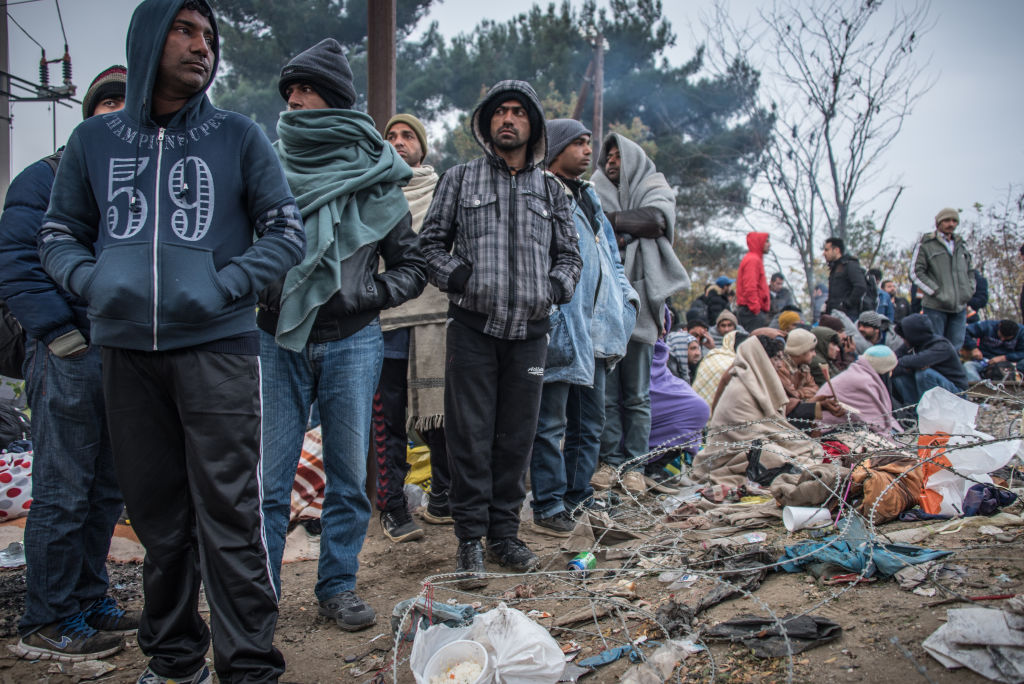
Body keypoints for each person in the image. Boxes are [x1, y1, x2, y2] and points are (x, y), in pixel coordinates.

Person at [38, 1, 306, 680]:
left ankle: (249, 666)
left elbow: (285, 232)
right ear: (149, 39)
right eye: (185, 31)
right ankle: (176, 659)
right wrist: (93, 282)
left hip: (218, 350)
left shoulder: (239, 135)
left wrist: (225, 285)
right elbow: (58, 233)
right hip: (127, 354)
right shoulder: (93, 142)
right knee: (157, 520)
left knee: (231, 515)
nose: (201, 46)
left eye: (208, 35)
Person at [258, 39, 426, 631]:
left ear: (334, 99)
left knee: (349, 477)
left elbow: (412, 265)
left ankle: (337, 587)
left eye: (305, 88)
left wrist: (367, 294)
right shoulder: (265, 168)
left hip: (353, 340)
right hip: (275, 339)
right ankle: (259, 597)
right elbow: (238, 248)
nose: (293, 99)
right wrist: (261, 289)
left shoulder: (375, 176)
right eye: (289, 90)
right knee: (269, 479)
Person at [418, 80, 581, 583]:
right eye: (499, 112)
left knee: (516, 440)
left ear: (533, 125)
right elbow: (428, 246)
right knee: (469, 437)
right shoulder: (459, 178)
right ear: (487, 124)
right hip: (472, 329)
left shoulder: (551, 190)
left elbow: (570, 257)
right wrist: (460, 279)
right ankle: (470, 540)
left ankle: (505, 536)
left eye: (518, 112)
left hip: (530, 334)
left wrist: (552, 289)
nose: (507, 119)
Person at [0, 66, 136, 663]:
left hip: (123, 353)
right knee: (63, 487)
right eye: (107, 104)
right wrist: (58, 333)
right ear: (89, 116)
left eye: (128, 106)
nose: (117, 115)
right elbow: (18, 261)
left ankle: (88, 598)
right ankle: (47, 619)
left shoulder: (138, 184)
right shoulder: (46, 177)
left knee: (105, 487)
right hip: (68, 351)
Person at [528, 119, 637, 537]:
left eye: (589, 142)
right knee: (549, 424)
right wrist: (550, 314)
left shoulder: (589, 197)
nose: (588, 150)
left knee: (590, 423)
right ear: (556, 148)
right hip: (559, 328)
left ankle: (577, 498)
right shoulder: (539, 193)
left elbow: (612, 260)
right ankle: (548, 505)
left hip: (597, 332)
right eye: (579, 143)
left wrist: (627, 302)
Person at [591, 132, 688, 495]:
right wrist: (627, 226)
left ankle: (635, 466)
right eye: (607, 157)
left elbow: (656, 221)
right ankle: (610, 463)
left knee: (636, 394)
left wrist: (610, 221)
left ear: (631, 157)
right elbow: (588, 227)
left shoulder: (653, 183)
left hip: (643, 306)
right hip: (603, 305)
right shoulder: (594, 186)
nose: (611, 162)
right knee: (606, 395)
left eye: (617, 156)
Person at [372, 112, 451, 541]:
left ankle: (443, 498)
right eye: (391, 136)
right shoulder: (372, 190)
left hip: (436, 322)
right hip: (385, 321)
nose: (399, 142)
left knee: (439, 417)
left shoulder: (443, 193)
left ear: (422, 147)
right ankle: (392, 508)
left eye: (407, 136)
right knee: (389, 421)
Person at [692, 336, 823, 487]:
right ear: (762, 359)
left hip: (751, 444)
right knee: (777, 454)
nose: (780, 364)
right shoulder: (742, 389)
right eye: (776, 359)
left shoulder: (755, 383)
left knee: (801, 448)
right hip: (730, 453)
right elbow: (750, 434)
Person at [909, 208, 974, 351]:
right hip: (935, 306)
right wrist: (936, 291)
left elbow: (970, 271)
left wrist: (969, 290)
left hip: (959, 307)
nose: (951, 224)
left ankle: (951, 367)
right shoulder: (926, 244)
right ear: (938, 222)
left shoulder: (962, 245)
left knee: (955, 348)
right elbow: (915, 272)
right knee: (935, 346)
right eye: (947, 220)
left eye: (954, 221)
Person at [820, 345, 903, 436]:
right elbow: (878, 423)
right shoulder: (865, 382)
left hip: (834, 428)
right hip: (829, 431)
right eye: (890, 370)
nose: (891, 374)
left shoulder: (857, 372)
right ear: (883, 370)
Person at [891, 314, 968, 406]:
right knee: (899, 376)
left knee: (924, 374)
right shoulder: (912, 345)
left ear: (914, 335)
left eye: (905, 337)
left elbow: (918, 361)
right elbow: (893, 361)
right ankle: (912, 408)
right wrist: (910, 367)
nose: (903, 340)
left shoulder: (942, 346)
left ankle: (929, 409)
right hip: (933, 388)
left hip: (957, 393)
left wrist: (911, 364)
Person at [823, 236, 867, 319]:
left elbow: (860, 286)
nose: (824, 253)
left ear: (836, 250)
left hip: (847, 316)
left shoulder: (850, 265)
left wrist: (846, 304)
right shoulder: (835, 268)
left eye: (827, 250)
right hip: (835, 315)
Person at [735, 232, 771, 330]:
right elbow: (750, 287)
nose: (769, 244)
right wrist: (756, 309)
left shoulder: (754, 259)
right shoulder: (753, 260)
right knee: (754, 338)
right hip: (751, 312)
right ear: (758, 242)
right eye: (766, 241)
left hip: (751, 311)